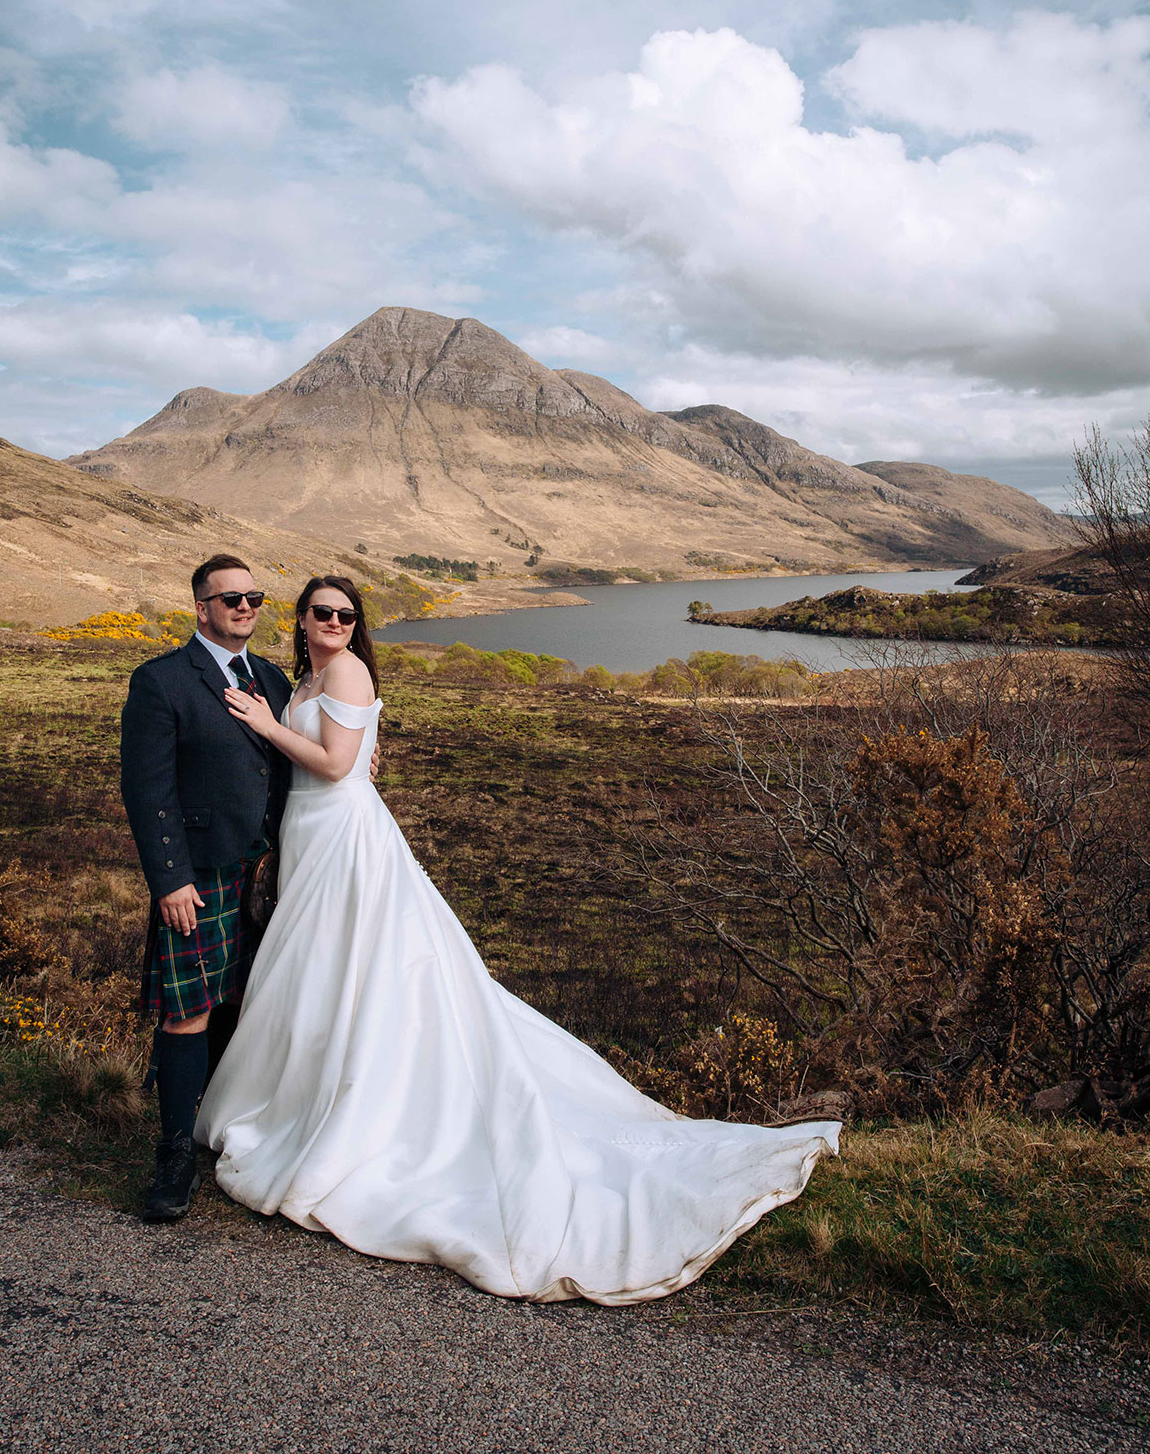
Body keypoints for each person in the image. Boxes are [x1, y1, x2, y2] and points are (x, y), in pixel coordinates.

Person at [196, 576, 840, 1305]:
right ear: (303, 619)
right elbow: (340, 756)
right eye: (323, 612)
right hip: (311, 835)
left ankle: (346, 1113)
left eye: (347, 614)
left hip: (345, 839)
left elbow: (339, 765)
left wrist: (263, 722)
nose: (336, 622)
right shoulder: (306, 676)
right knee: (320, 970)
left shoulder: (344, 669)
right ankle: (302, 1099)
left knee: (356, 969)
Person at [121, 555, 379, 1224]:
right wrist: (170, 879)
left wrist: (363, 758)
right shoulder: (162, 681)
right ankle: (174, 1154)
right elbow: (147, 790)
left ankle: (221, 1123)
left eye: (253, 596)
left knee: (247, 1002)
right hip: (200, 876)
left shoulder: (271, 678)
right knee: (188, 1010)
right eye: (228, 597)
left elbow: (318, 750)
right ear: (200, 607)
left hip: (269, 873)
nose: (243, 606)